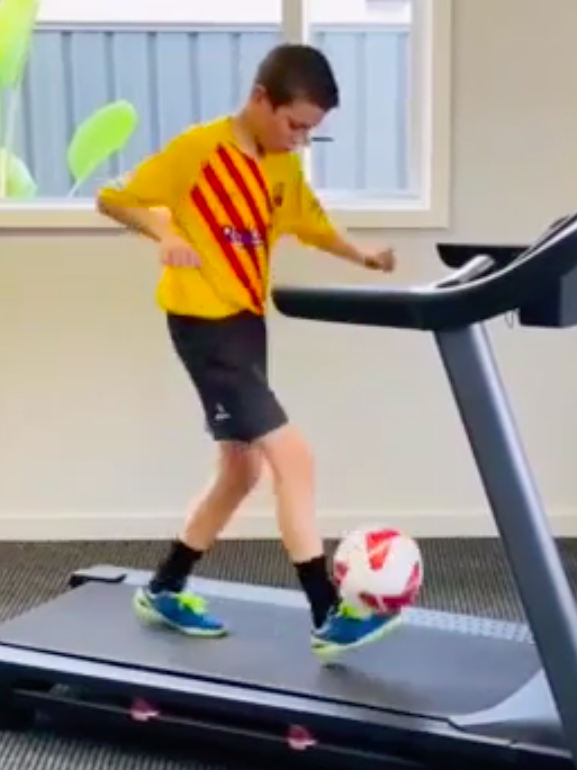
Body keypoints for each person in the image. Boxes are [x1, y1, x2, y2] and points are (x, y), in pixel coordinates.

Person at [96, 44, 400, 660]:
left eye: (311, 131)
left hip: (245, 324)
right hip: (203, 326)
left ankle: (164, 588)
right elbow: (114, 198)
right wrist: (167, 231)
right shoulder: (199, 150)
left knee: (242, 470)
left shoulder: (281, 166)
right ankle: (326, 613)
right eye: (295, 125)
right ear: (261, 98)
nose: (300, 141)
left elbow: (311, 223)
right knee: (295, 459)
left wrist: (363, 254)